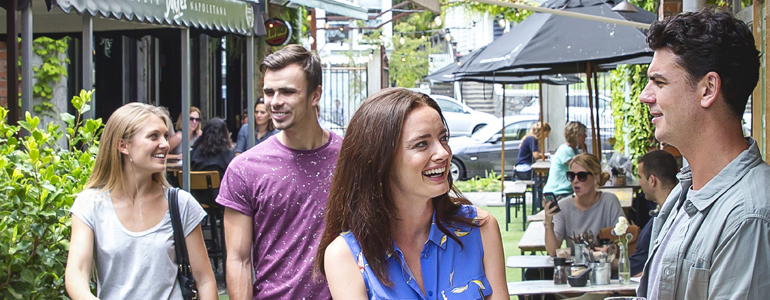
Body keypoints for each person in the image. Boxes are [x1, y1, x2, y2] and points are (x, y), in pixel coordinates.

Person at [316, 87, 508, 299]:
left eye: (443, 138)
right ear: (381, 161)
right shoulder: (345, 255)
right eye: (422, 144)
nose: (443, 153)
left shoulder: (480, 229)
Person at [637, 10, 770, 299]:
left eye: (659, 82)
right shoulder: (683, 194)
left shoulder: (749, 216)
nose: (645, 96)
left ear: (708, 89)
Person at [217, 44, 343, 300]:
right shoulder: (245, 169)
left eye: (287, 92)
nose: (274, 102)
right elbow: (238, 260)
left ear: (315, 95)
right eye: (268, 92)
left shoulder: (351, 158)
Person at [64, 103, 217, 300]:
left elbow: (205, 280)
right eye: (154, 136)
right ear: (123, 146)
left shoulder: (180, 204)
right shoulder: (90, 204)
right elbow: (76, 273)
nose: (165, 144)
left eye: (165, 136)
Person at [544, 154, 624, 257]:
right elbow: (552, 251)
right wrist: (548, 223)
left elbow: (623, 241)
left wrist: (610, 250)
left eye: (582, 176)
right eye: (571, 176)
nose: (575, 181)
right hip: (576, 271)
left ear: (596, 178)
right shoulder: (563, 206)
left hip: (604, 268)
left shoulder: (609, 202)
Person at [630, 150, 678, 277]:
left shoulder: (670, 219)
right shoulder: (670, 214)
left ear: (652, 180)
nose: (639, 183)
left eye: (640, 177)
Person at [542, 121, 587, 200]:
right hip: (558, 193)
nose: (585, 136)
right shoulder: (566, 150)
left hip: (564, 192)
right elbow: (584, 168)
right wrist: (585, 151)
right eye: (583, 134)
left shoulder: (573, 150)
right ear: (575, 136)